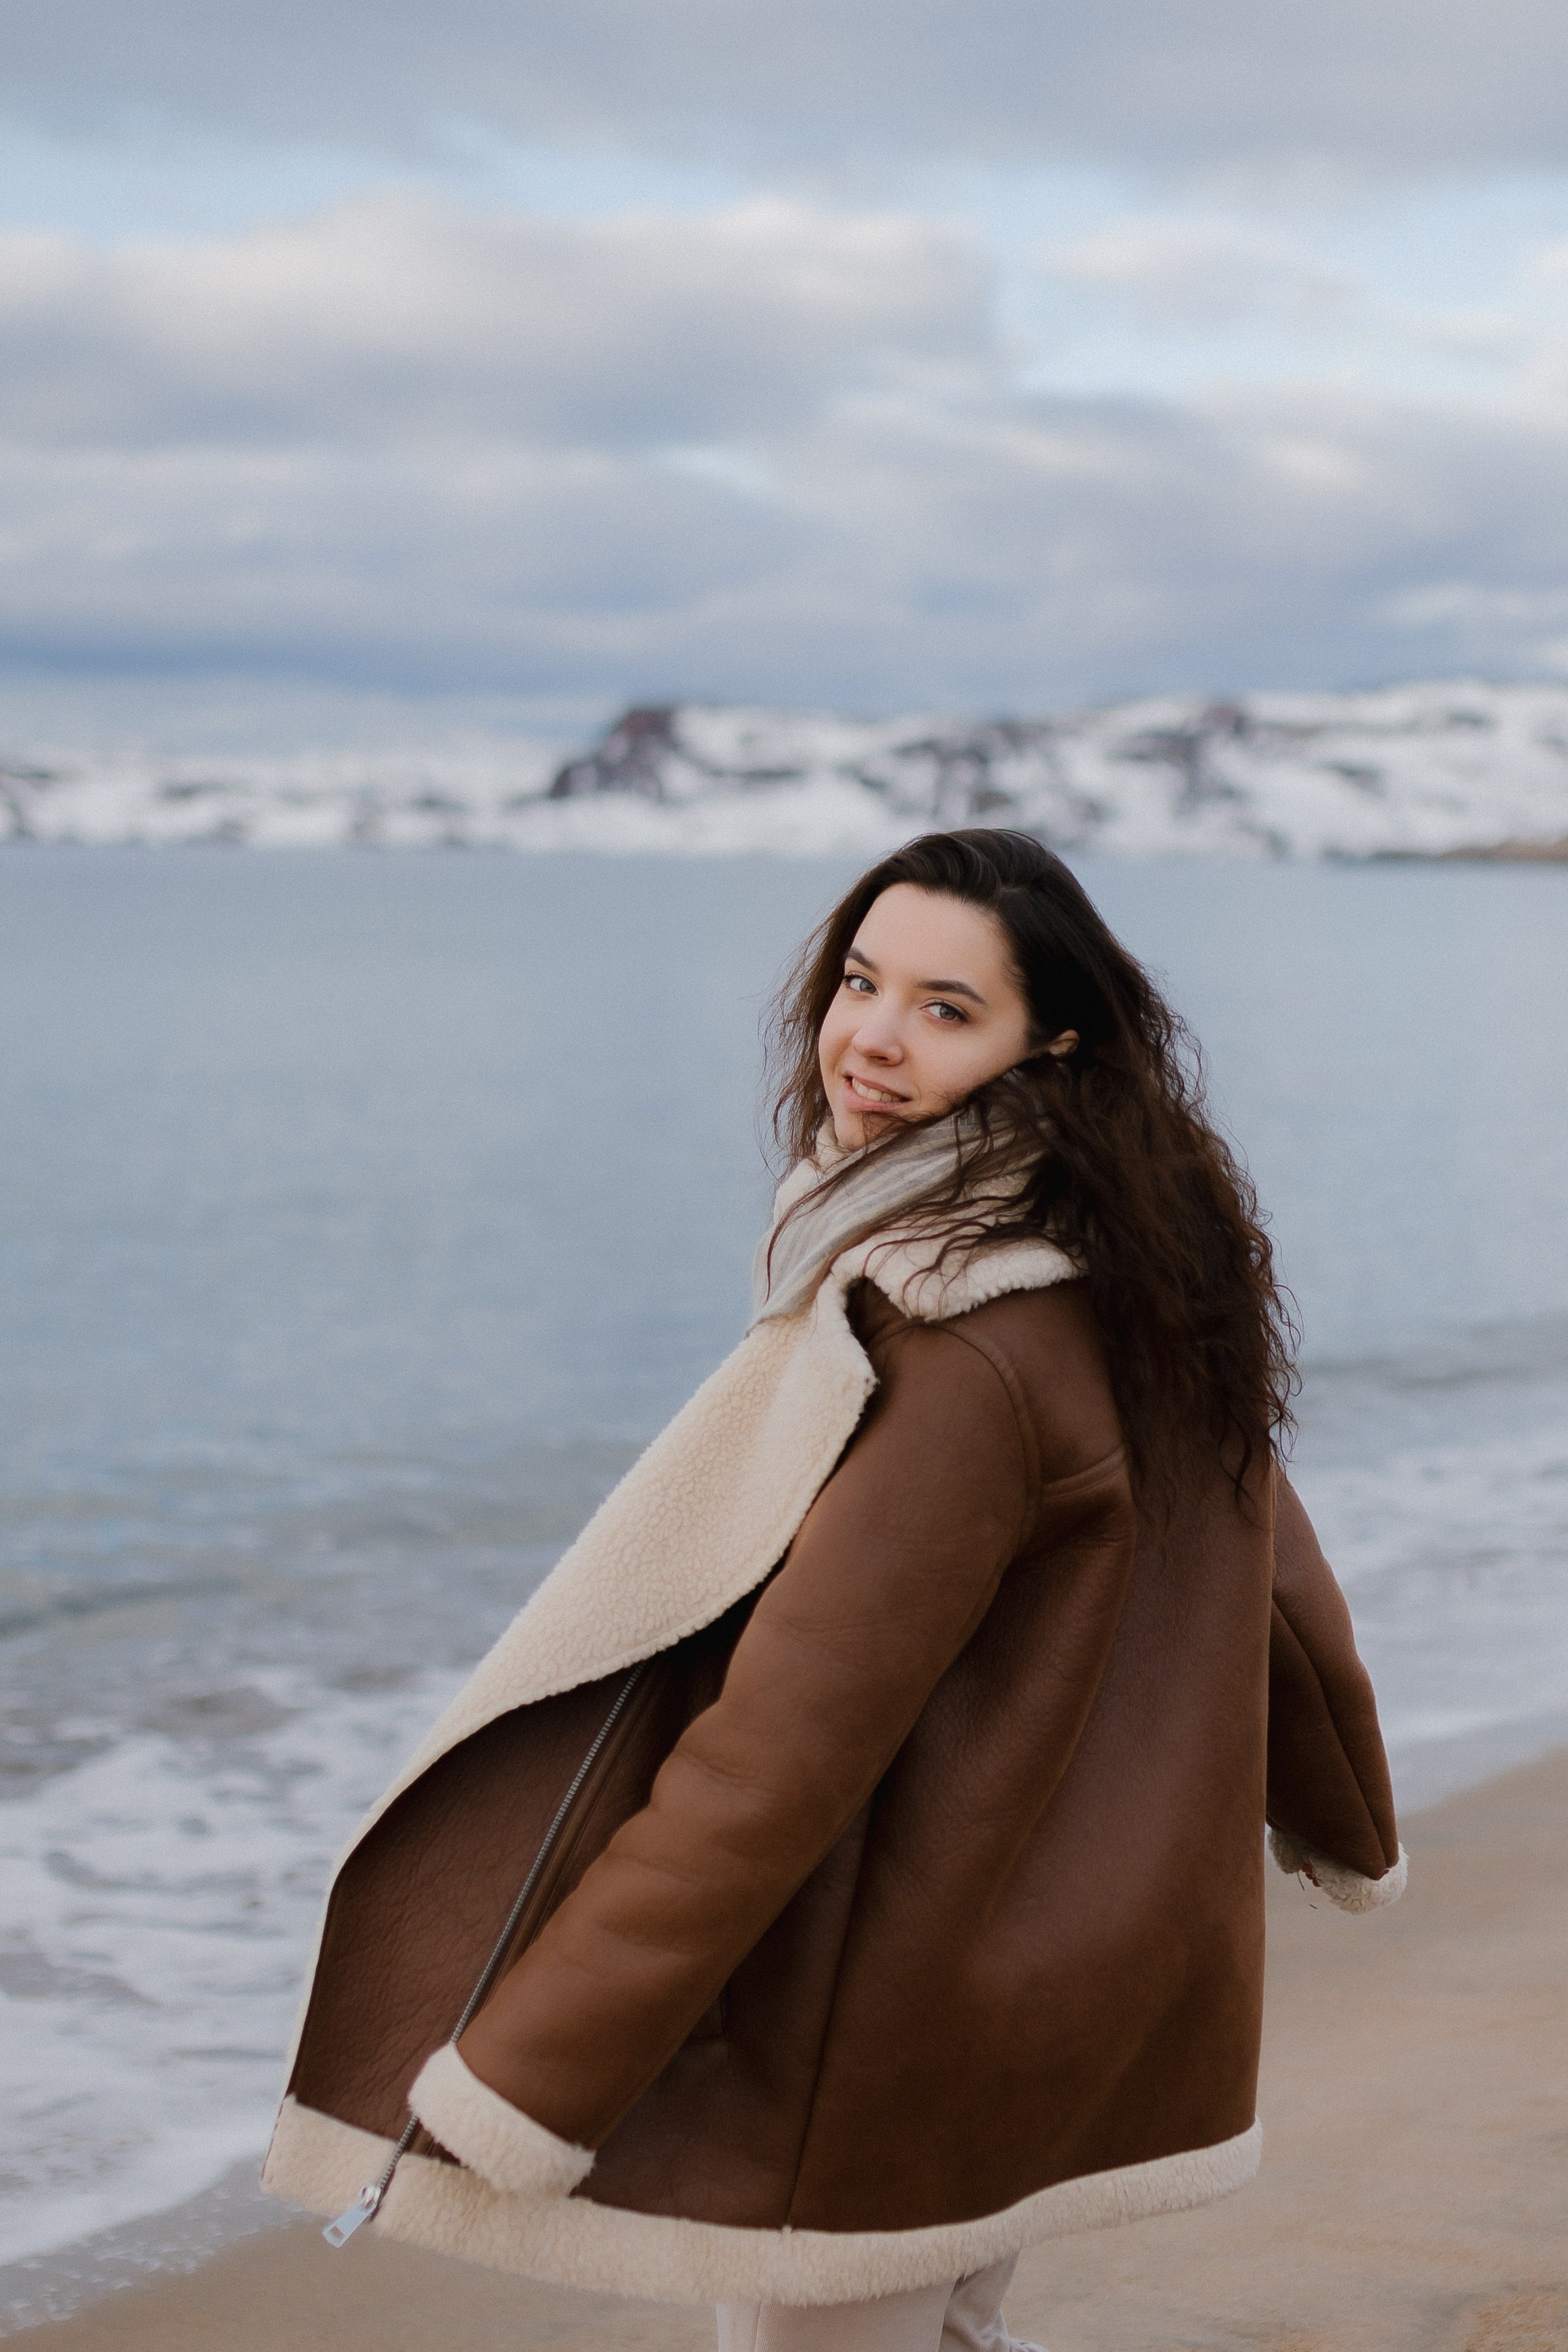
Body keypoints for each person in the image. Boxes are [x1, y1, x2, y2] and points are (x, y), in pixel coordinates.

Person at [264, 829, 1406, 2351]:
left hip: (899, 2029)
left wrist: (531, 2065)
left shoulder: (955, 1348)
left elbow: (780, 1748)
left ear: (1043, 1043)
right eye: (863, 981)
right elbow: (1277, 1583)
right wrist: (1346, 1815)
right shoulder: (1140, 1278)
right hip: (1067, 1981)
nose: (869, 1035)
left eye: (946, 1008)